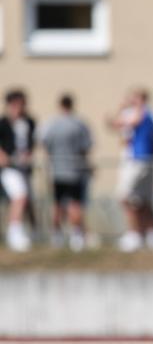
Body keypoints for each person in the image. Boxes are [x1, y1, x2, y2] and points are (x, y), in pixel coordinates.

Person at [109, 88, 153, 252]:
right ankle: (149, 234)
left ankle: (135, 235)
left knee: (126, 196)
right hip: (141, 160)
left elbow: (132, 122)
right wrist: (121, 108)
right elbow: (116, 125)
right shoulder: (146, 114)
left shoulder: (148, 114)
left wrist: (127, 107)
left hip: (139, 161)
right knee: (140, 200)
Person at [39, 94, 93, 251]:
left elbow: (45, 144)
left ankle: (57, 234)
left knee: (57, 204)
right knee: (74, 204)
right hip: (75, 169)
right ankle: (77, 235)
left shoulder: (51, 124)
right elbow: (86, 146)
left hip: (57, 170)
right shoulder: (80, 124)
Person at [0, 89, 35, 251]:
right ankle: (14, 233)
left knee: (22, 200)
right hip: (8, 168)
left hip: (23, 168)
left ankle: (21, 231)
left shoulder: (29, 123)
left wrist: (28, 156)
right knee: (19, 196)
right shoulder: (3, 124)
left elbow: (30, 144)